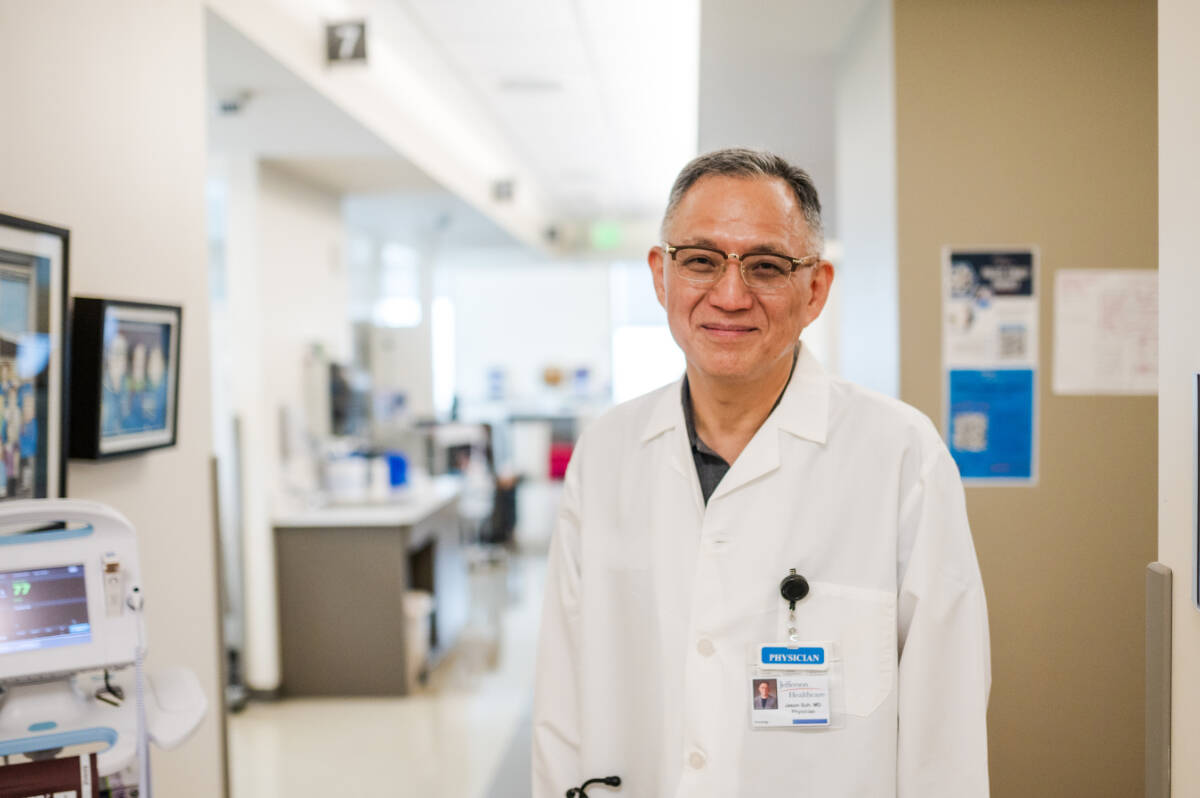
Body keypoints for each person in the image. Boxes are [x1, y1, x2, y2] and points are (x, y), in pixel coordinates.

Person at [532, 148, 990, 797]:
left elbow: (946, 722)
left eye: (767, 266)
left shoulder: (900, 455)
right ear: (661, 275)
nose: (730, 294)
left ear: (815, 289)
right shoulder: (608, 453)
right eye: (700, 260)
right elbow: (562, 694)